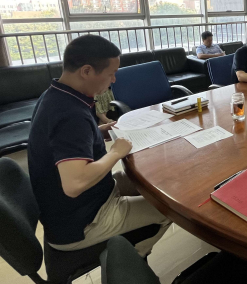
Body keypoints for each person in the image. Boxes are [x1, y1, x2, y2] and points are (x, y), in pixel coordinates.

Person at [28, 35, 171, 256]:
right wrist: (115, 153)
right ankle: (133, 261)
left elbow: (66, 142)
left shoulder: (55, 95)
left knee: (155, 182)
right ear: (86, 71)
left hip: (78, 205)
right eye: (111, 73)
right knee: (170, 209)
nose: (114, 80)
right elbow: (74, 184)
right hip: (82, 223)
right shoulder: (70, 115)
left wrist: (99, 132)